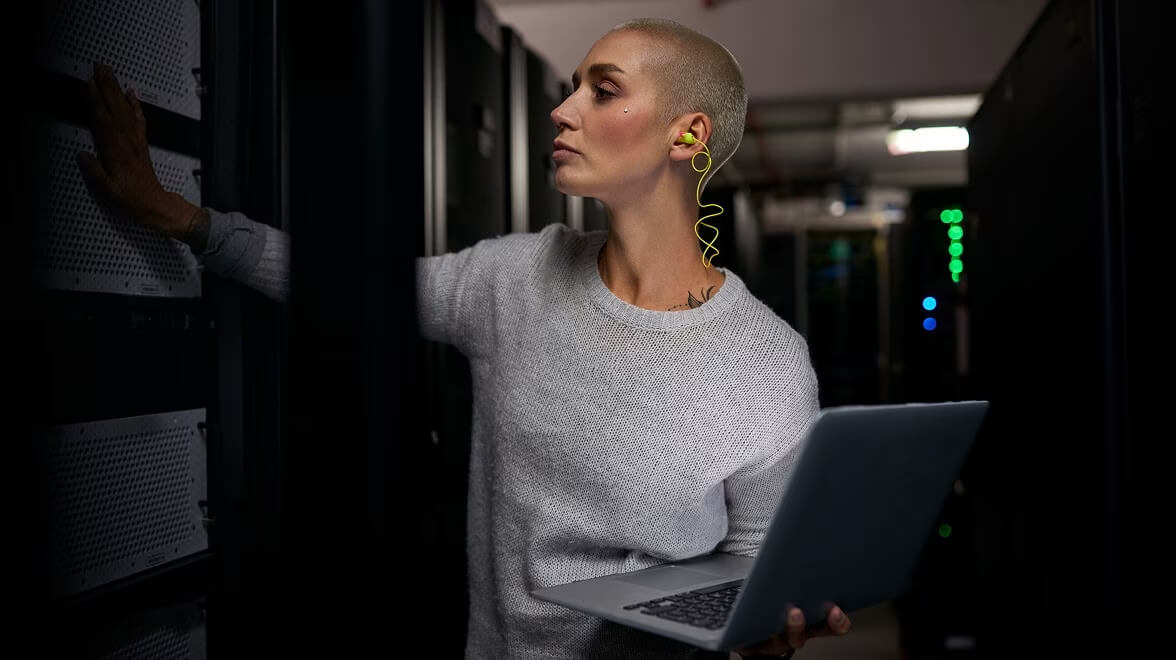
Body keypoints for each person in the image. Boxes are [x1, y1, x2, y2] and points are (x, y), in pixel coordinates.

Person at [78, 17, 852, 660]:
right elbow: (352, 289)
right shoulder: (511, 278)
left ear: (688, 136)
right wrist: (185, 219)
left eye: (602, 90)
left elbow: (758, 561)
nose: (563, 109)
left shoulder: (767, 359)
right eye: (570, 85)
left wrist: (767, 631)